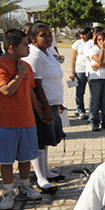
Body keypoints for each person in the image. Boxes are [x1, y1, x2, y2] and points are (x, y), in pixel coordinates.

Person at [0, 29, 42, 210]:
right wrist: (19, 73)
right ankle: (8, 191)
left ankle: (25, 185)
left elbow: (31, 91)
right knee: (7, 160)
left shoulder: (26, 66)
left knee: (26, 157)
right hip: (6, 123)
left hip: (27, 121)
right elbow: (7, 90)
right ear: (12, 47)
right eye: (24, 44)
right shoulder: (1, 65)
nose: (29, 47)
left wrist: (40, 112)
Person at [24, 23, 68, 194]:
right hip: (43, 104)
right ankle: (39, 176)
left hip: (53, 102)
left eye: (50, 34)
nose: (48, 38)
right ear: (33, 38)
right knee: (40, 140)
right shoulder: (34, 55)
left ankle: (46, 171)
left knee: (47, 140)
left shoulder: (48, 52)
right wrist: (44, 108)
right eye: (43, 35)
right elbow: (37, 85)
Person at [88, 31, 105, 132]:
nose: (102, 42)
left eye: (103, 39)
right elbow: (99, 60)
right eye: (99, 40)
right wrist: (102, 50)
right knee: (95, 102)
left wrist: (98, 66)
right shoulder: (93, 50)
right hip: (96, 79)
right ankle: (94, 122)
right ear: (96, 41)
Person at [69, 27, 92, 119]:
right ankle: (80, 110)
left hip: (90, 70)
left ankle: (92, 111)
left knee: (92, 92)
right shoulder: (77, 43)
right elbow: (73, 58)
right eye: (81, 34)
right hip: (80, 70)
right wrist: (72, 71)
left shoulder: (92, 43)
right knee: (80, 91)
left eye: (84, 34)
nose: (82, 36)